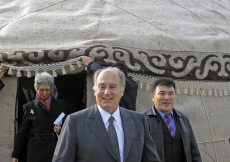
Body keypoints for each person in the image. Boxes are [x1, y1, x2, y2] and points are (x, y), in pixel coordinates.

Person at [52, 67, 161, 162]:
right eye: (102, 86)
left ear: (122, 91)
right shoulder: (75, 122)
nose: (107, 92)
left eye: (112, 87)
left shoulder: (139, 120)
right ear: (95, 91)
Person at [142, 78, 202, 162]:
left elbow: (194, 150)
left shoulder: (183, 118)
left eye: (171, 93)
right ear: (153, 96)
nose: (167, 98)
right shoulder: (142, 120)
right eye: (162, 93)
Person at [11, 72, 67, 162]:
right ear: (36, 89)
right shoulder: (29, 107)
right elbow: (22, 133)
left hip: (54, 147)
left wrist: (61, 129)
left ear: (51, 89)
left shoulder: (60, 104)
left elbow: (68, 125)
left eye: (47, 90)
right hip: (35, 150)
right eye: (41, 89)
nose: (44, 93)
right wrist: (15, 155)